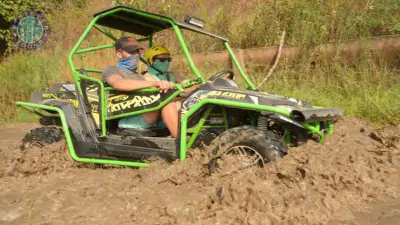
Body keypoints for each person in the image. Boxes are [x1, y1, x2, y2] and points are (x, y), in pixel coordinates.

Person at [102, 37, 179, 137]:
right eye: (132, 52)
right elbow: (119, 83)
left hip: (143, 111)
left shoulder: (140, 76)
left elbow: (158, 89)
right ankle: (181, 144)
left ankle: (184, 138)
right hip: (124, 117)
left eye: (138, 51)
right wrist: (155, 83)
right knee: (167, 102)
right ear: (119, 54)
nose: (136, 55)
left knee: (179, 104)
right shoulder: (111, 70)